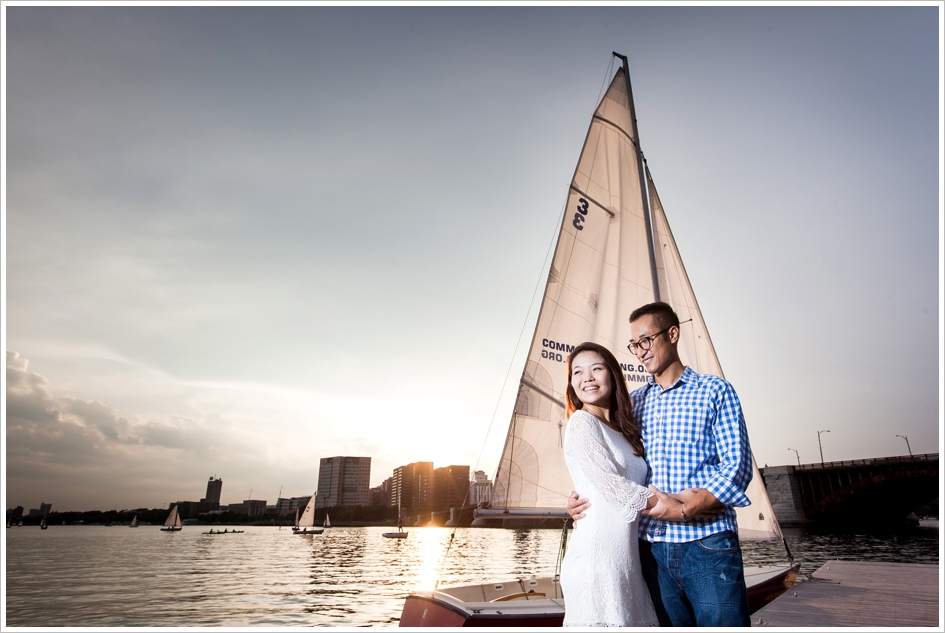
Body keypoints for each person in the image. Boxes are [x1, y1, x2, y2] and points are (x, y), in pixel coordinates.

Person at [567, 302, 754, 627]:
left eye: (646, 340)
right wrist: (581, 498)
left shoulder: (715, 391)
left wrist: (688, 508)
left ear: (672, 333)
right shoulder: (634, 405)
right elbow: (606, 471)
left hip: (707, 542)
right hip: (652, 549)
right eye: (634, 345)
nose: (640, 351)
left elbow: (737, 467)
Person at [558, 342, 659, 627]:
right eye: (577, 372)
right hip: (596, 561)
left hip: (626, 561)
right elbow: (611, 485)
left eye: (596, 368)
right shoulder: (581, 422)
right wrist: (670, 506)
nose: (586, 377)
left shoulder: (623, 430)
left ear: (613, 375)